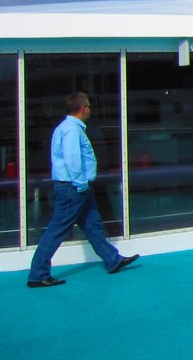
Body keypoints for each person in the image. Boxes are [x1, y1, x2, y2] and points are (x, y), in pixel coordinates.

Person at [27, 91, 139, 288]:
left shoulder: (68, 127)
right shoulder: (72, 130)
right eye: (88, 105)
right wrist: (81, 184)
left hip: (76, 187)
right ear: (82, 108)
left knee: (93, 225)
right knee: (57, 230)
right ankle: (38, 274)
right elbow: (73, 160)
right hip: (73, 188)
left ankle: (112, 259)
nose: (90, 109)